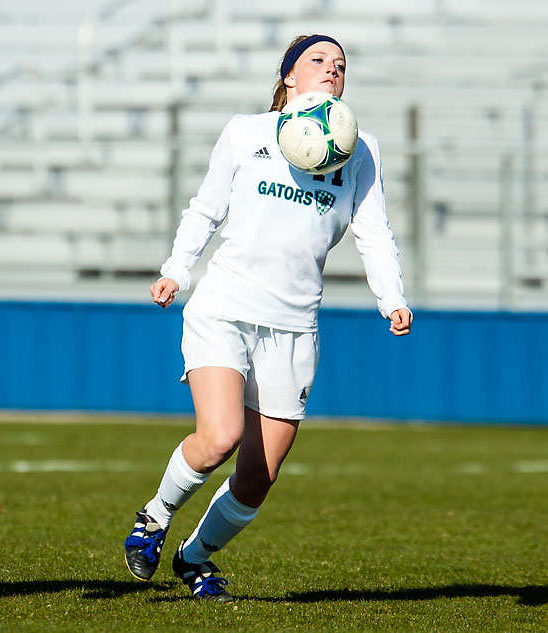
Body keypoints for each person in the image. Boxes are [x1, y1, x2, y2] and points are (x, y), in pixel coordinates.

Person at [122, 34, 413, 601]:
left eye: (341, 65)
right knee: (220, 436)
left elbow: (373, 231)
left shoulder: (362, 148)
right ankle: (153, 519)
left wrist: (391, 298)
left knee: (258, 478)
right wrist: (177, 270)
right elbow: (206, 208)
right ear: (288, 77)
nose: (332, 70)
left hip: (295, 326)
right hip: (225, 307)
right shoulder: (245, 132)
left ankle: (195, 558)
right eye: (318, 61)